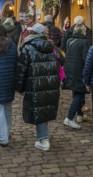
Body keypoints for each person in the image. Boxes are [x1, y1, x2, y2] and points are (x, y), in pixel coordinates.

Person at [15, 23, 60, 152]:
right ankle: (43, 136)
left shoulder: (27, 47)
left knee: (39, 108)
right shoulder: (51, 47)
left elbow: (21, 69)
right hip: (51, 83)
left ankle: (43, 139)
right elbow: (61, 61)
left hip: (34, 83)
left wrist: (19, 87)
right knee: (43, 106)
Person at [63, 23, 92, 129]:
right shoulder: (84, 42)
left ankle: (79, 115)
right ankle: (69, 117)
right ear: (82, 32)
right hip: (79, 70)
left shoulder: (69, 41)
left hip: (69, 69)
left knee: (76, 92)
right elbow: (86, 59)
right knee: (79, 93)